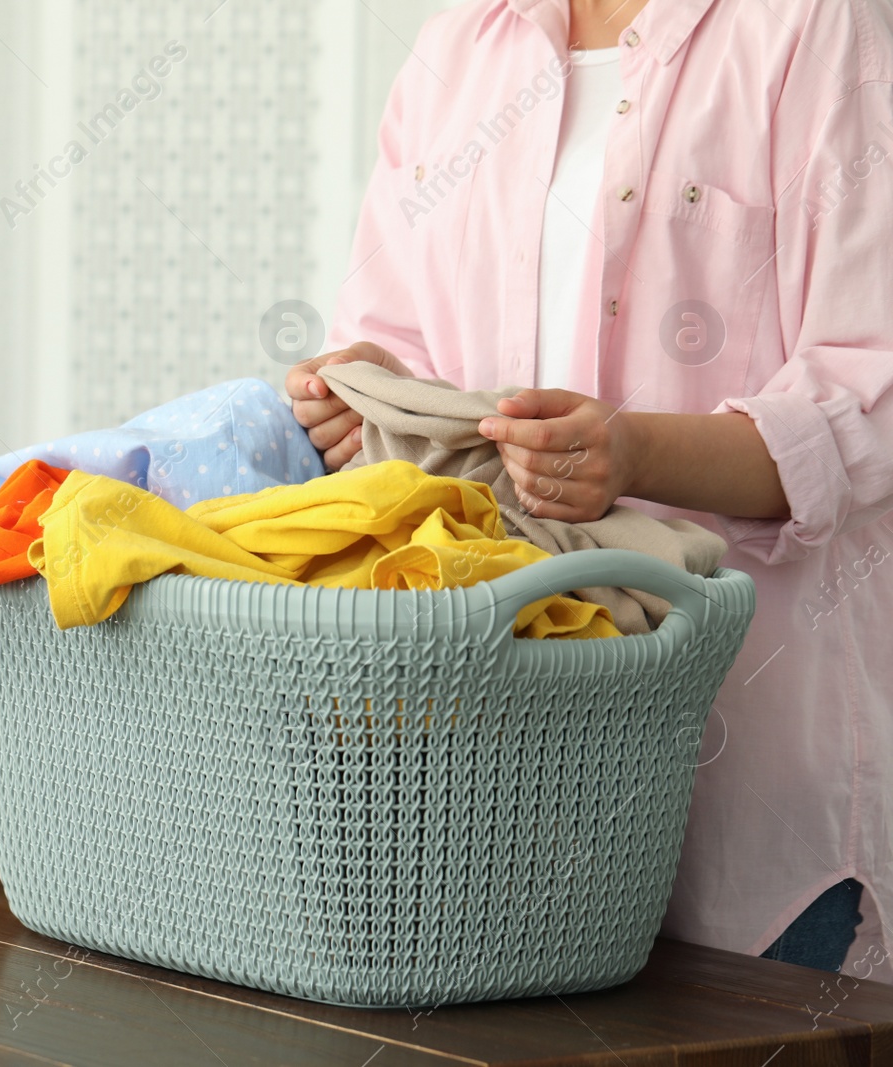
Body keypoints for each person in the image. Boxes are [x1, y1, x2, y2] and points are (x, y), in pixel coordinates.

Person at [288, 0, 893, 975]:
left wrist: (634, 454)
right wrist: (360, 393)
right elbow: (396, 337)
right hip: (500, 781)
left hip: (752, 793)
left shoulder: (809, 25)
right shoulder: (461, 46)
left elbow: (869, 389)